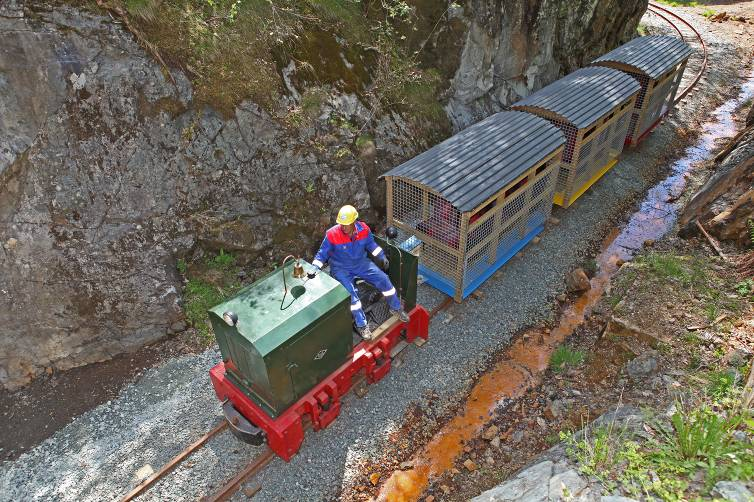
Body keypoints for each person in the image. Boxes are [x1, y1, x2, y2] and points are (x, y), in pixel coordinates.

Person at [309, 205, 409, 340]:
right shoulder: (332, 234)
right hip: (341, 268)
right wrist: (314, 268)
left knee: (384, 279)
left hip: (361, 263)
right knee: (352, 297)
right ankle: (362, 325)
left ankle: (395, 307)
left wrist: (381, 257)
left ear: (354, 222)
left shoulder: (364, 229)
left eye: (346, 224)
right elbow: (322, 254)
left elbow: (371, 245)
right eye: (341, 224)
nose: (343, 227)